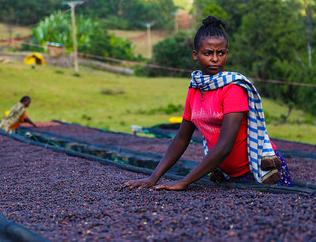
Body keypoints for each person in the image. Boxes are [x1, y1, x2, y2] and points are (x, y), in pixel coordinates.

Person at [124, 16, 292, 191]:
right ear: (195, 55)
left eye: (221, 53)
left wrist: (184, 182)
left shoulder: (233, 89)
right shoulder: (195, 89)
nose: (215, 59)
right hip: (228, 176)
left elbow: (225, 146)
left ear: (227, 53)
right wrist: (153, 178)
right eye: (207, 53)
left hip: (258, 174)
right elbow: (182, 138)